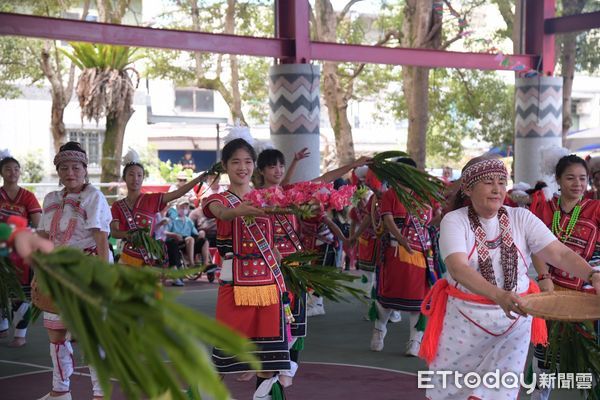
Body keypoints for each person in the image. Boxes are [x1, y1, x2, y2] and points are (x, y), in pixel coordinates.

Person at [420, 156, 600, 400]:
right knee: (452, 392)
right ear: (469, 188)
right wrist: (498, 295)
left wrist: (592, 274)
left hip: (514, 322)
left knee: (499, 393)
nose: (497, 189)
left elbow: (558, 253)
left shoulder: (521, 218)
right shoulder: (455, 220)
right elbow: (458, 268)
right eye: (488, 182)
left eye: (502, 182)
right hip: (465, 321)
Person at [202, 138, 292, 398]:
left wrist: (276, 252)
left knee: (267, 356)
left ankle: (262, 396)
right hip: (234, 284)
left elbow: (273, 240)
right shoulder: (218, 198)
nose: (242, 167)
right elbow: (219, 213)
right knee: (223, 353)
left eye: (248, 162)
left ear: (254, 165)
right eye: (236, 162)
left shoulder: (267, 198)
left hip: (268, 285)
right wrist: (237, 211)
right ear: (225, 166)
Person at [37, 142, 112, 400]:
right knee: (56, 333)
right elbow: (44, 237)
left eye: (76, 167)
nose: (70, 172)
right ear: (58, 171)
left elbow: (101, 239)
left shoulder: (94, 197)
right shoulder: (51, 199)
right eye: (64, 167)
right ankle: (61, 391)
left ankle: (100, 393)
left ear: (85, 169)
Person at [529, 154, 600, 400]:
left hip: (589, 294)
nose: (577, 183)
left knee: (590, 358)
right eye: (570, 178)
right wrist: (543, 276)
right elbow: (535, 245)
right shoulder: (545, 207)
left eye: (583, 178)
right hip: (551, 291)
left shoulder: (596, 208)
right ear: (558, 179)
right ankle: (539, 396)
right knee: (544, 356)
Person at [369, 157, 441, 356]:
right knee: (387, 296)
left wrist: (439, 218)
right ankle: (379, 330)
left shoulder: (426, 194)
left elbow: (437, 215)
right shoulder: (390, 195)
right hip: (395, 253)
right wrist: (401, 239)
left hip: (422, 254)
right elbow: (388, 219)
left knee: (419, 300)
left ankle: (414, 341)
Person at [110, 149, 207, 268]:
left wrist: (197, 180)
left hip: (150, 256)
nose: (135, 178)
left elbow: (177, 193)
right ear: (124, 178)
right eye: (131, 174)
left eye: (139, 175)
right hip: (128, 256)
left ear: (143, 178)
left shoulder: (152, 199)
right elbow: (114, 232)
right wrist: (128, 235)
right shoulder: (117, 206)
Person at [0, 151, 42, 347]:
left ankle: (20, 334)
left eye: (16, 169)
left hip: (20, 251)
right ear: (1, 172)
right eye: (8, 169)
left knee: (20, 294)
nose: (13, 173)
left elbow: (38, 224)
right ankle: (2, 328)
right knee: (1, 290)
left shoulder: (28, 196)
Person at [165, 198, 209, 286]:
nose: (184, 209)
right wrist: (174, 235)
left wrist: (201, 233)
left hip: (189, 242)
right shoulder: (172, 219)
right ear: (177, 207)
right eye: (182, 207)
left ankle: (206, 264)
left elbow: (195, 233)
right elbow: (165, 232)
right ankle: (191, 264)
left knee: (204, 240)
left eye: (186, 207)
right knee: (190, 239)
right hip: (178, 241)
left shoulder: (188, 220)